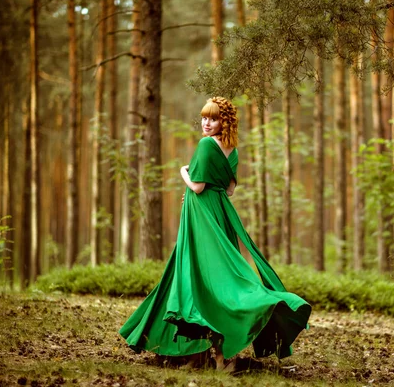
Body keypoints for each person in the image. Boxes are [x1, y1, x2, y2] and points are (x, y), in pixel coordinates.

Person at [119, 97, 312, 372]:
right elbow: (230, 189)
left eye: (213, 118)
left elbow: (197, 187)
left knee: (200, 278)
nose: (206, 123)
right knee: (217, 278)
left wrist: (183, 172)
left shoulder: (206, 145)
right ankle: (210, 355)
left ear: (225, 121)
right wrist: (204, 190)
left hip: (203, 218)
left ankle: (207, 353)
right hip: (219, 213)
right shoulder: (231, 149)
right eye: (204, 117)